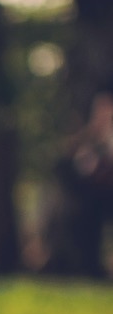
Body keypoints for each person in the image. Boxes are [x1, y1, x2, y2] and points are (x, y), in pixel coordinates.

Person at [42, 89, 113, 277]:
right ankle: (84, 266)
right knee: (79, 212)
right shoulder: (88, 139)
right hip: (93, 200)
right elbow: (78, 167)